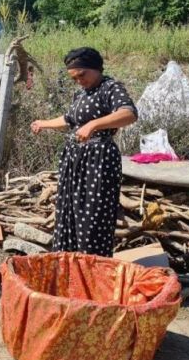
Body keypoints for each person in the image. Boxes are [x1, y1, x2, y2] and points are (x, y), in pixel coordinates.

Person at [30, 47, 138, 257]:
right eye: (74, 78)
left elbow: (129, 113)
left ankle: (92, 267)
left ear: (96, 68)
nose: (79, 80)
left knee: (93, 217)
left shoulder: (110, 88)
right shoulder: (81, 94)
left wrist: (94, 125)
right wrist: (43, 123)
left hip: (99, 162)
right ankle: (71, 266)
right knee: (69, 212)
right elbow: (69, 120)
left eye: (82, 75)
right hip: (74, 162)